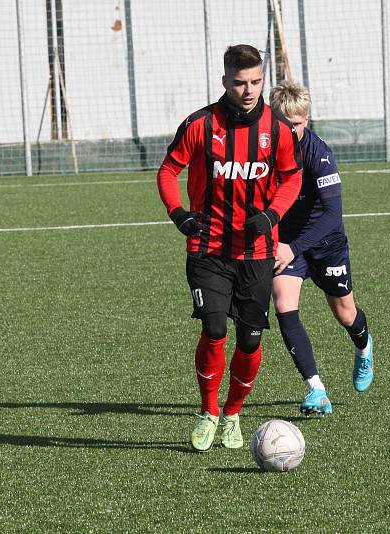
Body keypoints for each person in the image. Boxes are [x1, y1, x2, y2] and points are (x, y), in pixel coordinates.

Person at [157, 45, 303, 451]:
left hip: (257, 253)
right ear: (225, 81)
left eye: (256, 82)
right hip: (208, 248)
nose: (249, 90)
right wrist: (179, 214)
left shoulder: (277, 130)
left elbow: (292, 178)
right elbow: (169, 170)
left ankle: (234, 413)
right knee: (215, 327)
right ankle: (209, 411)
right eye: (240, 82)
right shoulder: (201, 124)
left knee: (251, 340)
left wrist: (272, 217)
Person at [268, 80, 373, 417]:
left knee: (345, 313)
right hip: (287, 246)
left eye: (296, 124)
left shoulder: (319, 154)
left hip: (325, 246)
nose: (290, 130)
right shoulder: (265, 152)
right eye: (283, 124)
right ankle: (317, 390)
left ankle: (363, 346)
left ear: (307, 120)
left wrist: (292, 247)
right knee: (284, 305)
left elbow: (332, 216)